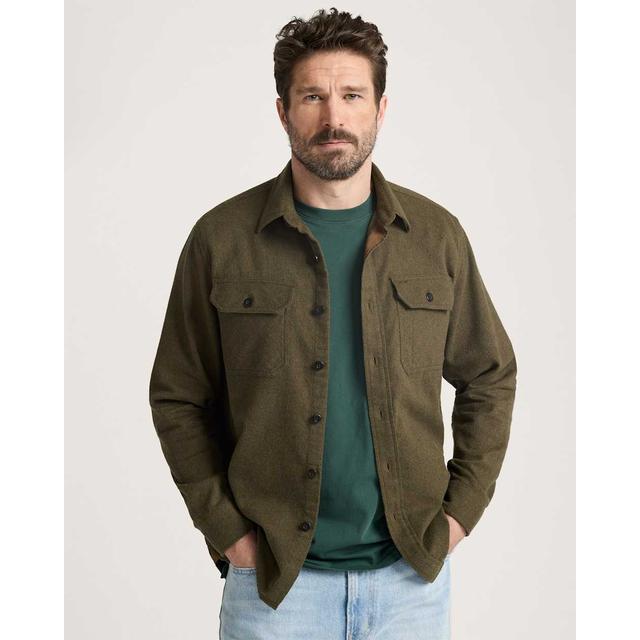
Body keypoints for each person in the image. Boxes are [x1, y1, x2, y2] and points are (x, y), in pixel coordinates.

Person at [149, 7, 517, 639]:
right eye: (312, 97)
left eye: (351, 95)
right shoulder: (222, 240)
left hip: (409, 588)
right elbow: (178, 395)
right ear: (282, 111)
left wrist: (459, 515)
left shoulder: (436, 237)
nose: (333, 118)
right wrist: (228, 532)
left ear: (380, 108)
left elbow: (490, 375)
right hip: (274, 590)